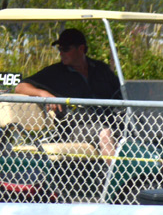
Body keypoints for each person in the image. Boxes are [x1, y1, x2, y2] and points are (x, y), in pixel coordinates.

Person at [16, 28, 121, 158]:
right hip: (74, 129)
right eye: (59, 49)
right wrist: (43, 94)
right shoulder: (55, 72)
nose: (61, 53)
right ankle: (115, 171)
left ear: (81, 49)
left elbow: (120, 93)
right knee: (105, 135)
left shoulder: (100, 69)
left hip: (110, 123)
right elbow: (20, 87)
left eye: (65, 49)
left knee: (137, 131)